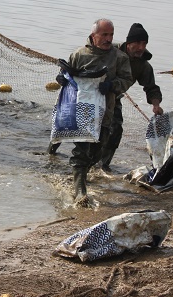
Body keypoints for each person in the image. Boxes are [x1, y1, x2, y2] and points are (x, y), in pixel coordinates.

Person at [56, 19, 132, 203]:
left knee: (97, 151)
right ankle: (80, 190)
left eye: (111, 35)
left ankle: (80, 175)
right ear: (93, 36)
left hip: (105, 112)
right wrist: (62, 78)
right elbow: (66, 76)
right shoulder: (79, 55)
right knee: (81, 151)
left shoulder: (119, 57)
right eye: (104, 34)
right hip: (80, 110)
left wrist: (113, 85)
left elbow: (127, 80)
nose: (108, 38)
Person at [99, 23, 163, 171]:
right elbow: (88, 54)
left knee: (115, 130)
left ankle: (103, 165)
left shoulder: (143, 65)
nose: (142, 47)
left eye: (145, 43)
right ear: (129, 43)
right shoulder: (110, 50)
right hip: (93, 94)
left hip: (113, 98)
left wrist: (156, 105)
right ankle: (54, 150)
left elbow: (151, 88)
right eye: (138, 43)